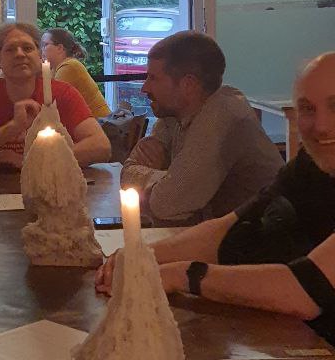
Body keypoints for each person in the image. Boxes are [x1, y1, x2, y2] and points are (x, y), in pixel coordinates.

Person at [98, 53, 335, 360]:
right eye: (307, 109)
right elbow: (228, 229)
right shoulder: (317, 164)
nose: (320, 125)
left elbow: (305, 291)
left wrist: (184, 274)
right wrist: (140, 256)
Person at [120, 30, 282, 224]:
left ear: (188, 84)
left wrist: (163, 179)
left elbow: (165, 204)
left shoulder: (221, 116)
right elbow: (127, 173)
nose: (144, 88)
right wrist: (166, 179)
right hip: (222, 233)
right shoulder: (174, 115)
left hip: (265, 238)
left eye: (153, 78)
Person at [0, 21, 111, 171]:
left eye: (27, 48)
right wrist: (12, 127)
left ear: (39, 57)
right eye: (10, 49)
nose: (20, 54)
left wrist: (31, 161)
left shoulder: (63, 93)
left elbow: (101, 146)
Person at [41, 27, 111, 118]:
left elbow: (52, 103)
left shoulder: (69, 67)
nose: (41, 49)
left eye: (45, 45)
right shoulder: (55, 68)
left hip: (99, 123)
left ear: (60, 48)